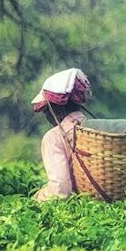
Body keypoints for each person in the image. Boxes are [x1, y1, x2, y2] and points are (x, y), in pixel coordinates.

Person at [30, 68, 91, 201]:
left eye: (46, 110)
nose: (47, 116)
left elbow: (61, 191)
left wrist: (37, 198)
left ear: (55, 108)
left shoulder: (53, 138)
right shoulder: (95, 129)